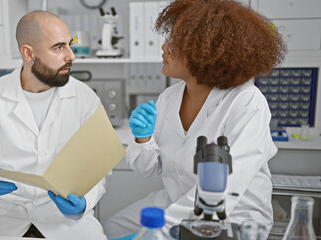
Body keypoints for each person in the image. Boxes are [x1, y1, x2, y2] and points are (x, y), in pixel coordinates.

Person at [103, 0, 286, 238]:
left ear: (206, 52)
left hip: (232, 216)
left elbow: (224, 188)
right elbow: (147, 169)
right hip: (174, 199)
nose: (164, 46)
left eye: (177, 43)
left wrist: (156, 231)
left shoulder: (246, 102)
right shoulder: (169, 97)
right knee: (110, 228)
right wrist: (143, 138)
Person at [0, 11, 107, 239]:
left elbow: (98, 168)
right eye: (58, 47)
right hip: (1, 218)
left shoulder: (85, 98)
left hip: (65, 223)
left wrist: (84, 203)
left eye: (69, 45)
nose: (71, 56)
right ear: (28, 53)